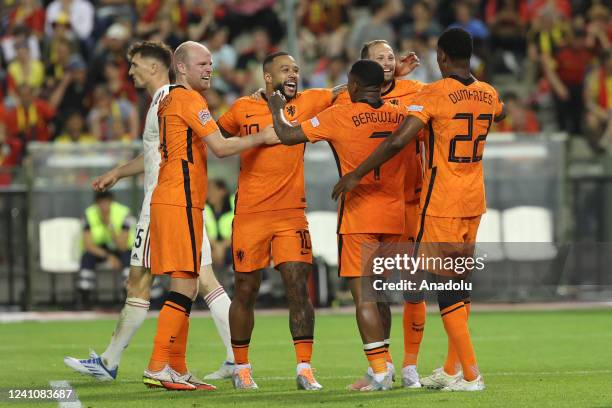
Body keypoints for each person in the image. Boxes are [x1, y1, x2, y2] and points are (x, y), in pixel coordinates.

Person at [332, 28, 506, 392]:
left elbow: (398, 140)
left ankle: (472, 376)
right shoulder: (489, 93)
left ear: (441, 56)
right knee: (460, 284)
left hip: (442, 201)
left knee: (445, 290)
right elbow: (499, 115)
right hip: (475, 201)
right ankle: (450, 367)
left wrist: (356, 174)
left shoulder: (433, 94)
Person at [62, 41, 231, 383]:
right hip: (175, 202)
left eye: (135, 64)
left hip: (166, 204)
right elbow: (156, 154)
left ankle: (129, 363)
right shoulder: (161, 101)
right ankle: (227, 360)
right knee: (199, 280)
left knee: (154, 281)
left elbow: (192, 150)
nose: (129, 71)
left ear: (155, 67)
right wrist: (118, 172)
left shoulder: (168, 99)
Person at [143, 41, 278, 391]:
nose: (209, 69)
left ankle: (177, 368)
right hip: (179, 200)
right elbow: (220, 146)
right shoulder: (188, 99)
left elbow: (210, 134)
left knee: (184, 281)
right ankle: (158, 365)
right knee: (186, 283)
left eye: (211, 63)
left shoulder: (173, 99)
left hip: (175, 199)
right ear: (181, 67)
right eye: (202, 63)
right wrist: (262, 136)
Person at [268, 59, 408, 391]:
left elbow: (287, 135)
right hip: (395, 215)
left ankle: (378, 372)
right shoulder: (400, 115)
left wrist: (276, 107)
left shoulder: (340, 115)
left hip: (360, 215)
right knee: (379, 292)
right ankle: (386, 365)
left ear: (355, 85)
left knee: (362, 296)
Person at [217, 51, 347, 390]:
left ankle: (304, 368)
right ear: (268, 77)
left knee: (297, 289)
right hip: (249, 214)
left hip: (291, 214)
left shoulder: (309, 101)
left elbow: (350, 88)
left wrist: (388, 74)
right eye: (285, 69)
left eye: (296, 69)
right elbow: (214, 138)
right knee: (245, 290)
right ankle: (241, 368)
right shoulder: (241, 108)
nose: (293, 74)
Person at [335, 39, 425, 390]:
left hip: (412, 203)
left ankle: (411, 366)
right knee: (376, 290)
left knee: (413, 287)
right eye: (378, 59)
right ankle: (382, 366)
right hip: (373, 204)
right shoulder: (348, 98)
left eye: (390, 57)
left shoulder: (415, 90)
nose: (387, 62)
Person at [76, 190, 132, 306]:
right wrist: (108, 257)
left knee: (128, 257)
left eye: (107, 203)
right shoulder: (89, 214)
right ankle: (84, 298)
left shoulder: (123, 212)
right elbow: (88, 245)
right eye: (100, 203)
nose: (104, 207)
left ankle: (127, 298)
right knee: (87, 258)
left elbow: (122, 246)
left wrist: (109, 225)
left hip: (120, 248)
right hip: (100, 250)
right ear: (96, 204)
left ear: (112, 202)